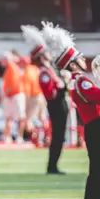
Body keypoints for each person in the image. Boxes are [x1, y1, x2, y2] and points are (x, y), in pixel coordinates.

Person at [43, 24, 100, 199]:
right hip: (96, 126)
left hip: (99, 124)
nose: (84, 60)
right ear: (73, 64)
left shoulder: (81, 79)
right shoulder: (80, 81)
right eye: (80, 58)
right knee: (97, 171)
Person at [22, 24, 67, 175]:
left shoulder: (49, 70)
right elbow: (51, 93)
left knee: (60, 137)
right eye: (46, 53)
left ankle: (54, 165)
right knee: (57, 137)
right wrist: (63, 86)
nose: (49, 54)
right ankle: (52, 166)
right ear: (41, 56)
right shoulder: (44, 73)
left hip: (59, 104)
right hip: (56, 105)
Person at [1, 51, 25, 143]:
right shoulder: (9, 68)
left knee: (20, 117)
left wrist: (6, 93)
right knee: (9, 117)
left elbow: (13, 84)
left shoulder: (13, 68)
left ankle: (19, 136)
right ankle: (8, 136)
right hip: (11, 96)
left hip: (15, 95)